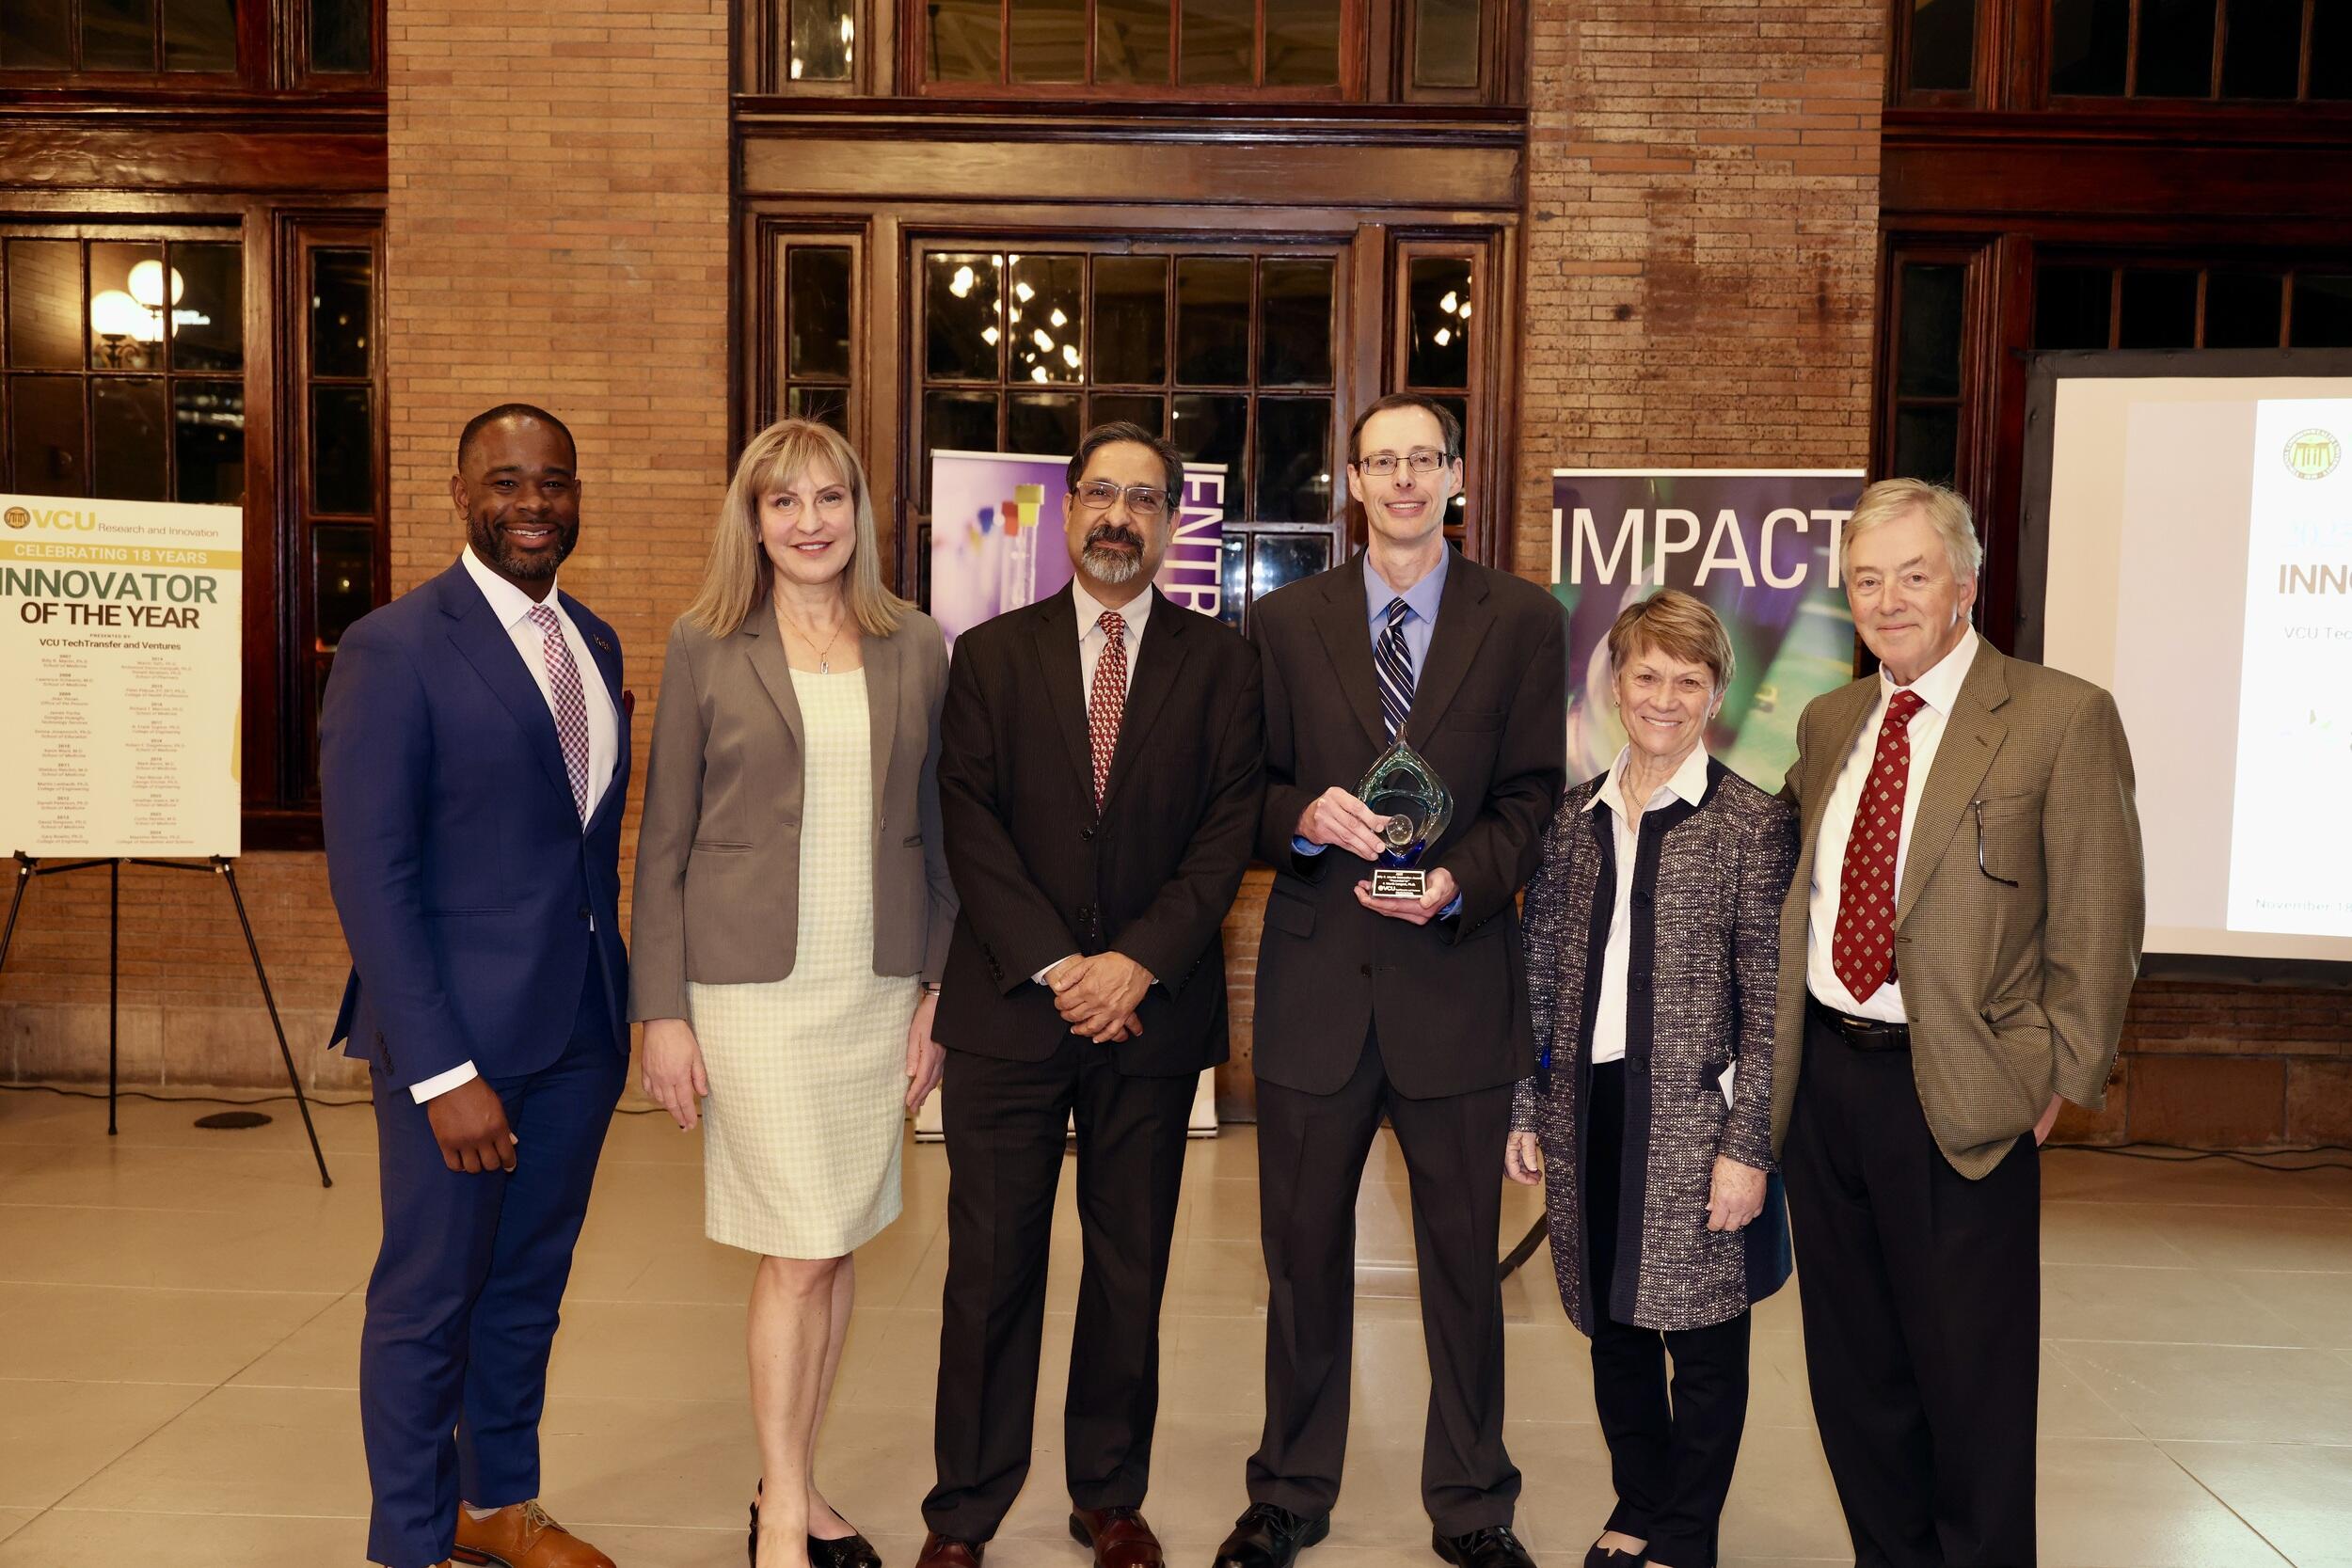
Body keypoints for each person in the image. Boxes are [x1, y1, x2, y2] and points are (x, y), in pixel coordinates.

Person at [1216, 393, 1566, 1568]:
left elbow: (1530, 798)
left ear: (1455, 474)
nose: (1405, 480)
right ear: (1352, 480)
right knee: (1300, 1256)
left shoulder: (1518, 618)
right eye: (1383, 461)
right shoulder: (1282, 620)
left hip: (1458, 982)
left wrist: (1460, 878)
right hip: (1320, 989)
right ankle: (1288, 1490)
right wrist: (1299, 817)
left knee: (1466, 1267)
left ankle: (1473, 1503)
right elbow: (1243, 793)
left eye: (1426, 459)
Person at [1772, 478, 2143, 1568]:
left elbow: (2099, 912)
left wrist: (2054, 1081)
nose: (1886, 600)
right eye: (1865, 579)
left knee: (1968, 1390)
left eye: (1911, 575)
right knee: (1856, 1381)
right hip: (1824, 1088)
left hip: (1961, 1094)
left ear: (1965, 585)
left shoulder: (2058, 715)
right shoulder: (1830, 718)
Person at [919, 421, 1265, 1568]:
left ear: (1173, 522)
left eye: (1145, 498)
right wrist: (1063, 967)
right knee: (989, 1268)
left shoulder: (1221, 662)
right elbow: (966, 818)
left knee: (1131, 1266)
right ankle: (963, 1507)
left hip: (1151, 1015)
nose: (1120, 516)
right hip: (1012, 1011)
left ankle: (1108, 1494)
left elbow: (1224, 833)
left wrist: (1136, 963)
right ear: (1066, 511)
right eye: (1101, 494)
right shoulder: (990, 653)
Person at [631, 418, 955, 1568]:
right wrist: (659, 1009)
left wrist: (937, 992)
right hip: (749, 995)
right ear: (753, 518)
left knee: (843, 1233)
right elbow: (664, 834)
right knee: (801, 1244)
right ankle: (779, 1508)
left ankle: (801, 1484)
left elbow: (941, 830)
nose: (809, 521)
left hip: (874, 987)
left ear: (860, 513)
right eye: (784, 502)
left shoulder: (916, 643)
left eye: (830, 498)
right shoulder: (706, 641)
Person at [323, 404, 628, 1568]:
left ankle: (499, 1501)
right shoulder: (395, 646)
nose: (535, 502)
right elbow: (374, 874)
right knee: (428, 1298)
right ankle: (409, 1539)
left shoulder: (591, 643)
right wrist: (444, 1068)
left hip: (578, 1030)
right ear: (461, 494)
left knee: (528, 1287)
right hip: (457, 1046)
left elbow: (575, 846)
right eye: (507, 481)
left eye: (555, 479)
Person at [1505, 590, 1797, 1568]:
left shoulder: (1751, 825)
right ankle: (1638, 1498)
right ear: (1615, 680)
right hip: (1585, 1108)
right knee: (1612, 1323)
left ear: (1715, 694)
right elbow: (1538, 970)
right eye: (1646, 673)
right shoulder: (1569, 817)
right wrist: (1524, 1100)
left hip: (1694, 1122)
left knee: (1703, 1339)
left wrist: (1745, 1147)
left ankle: (1683, 1532)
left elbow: (1770, 1007)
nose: (1664, 696)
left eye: (1689, 678)